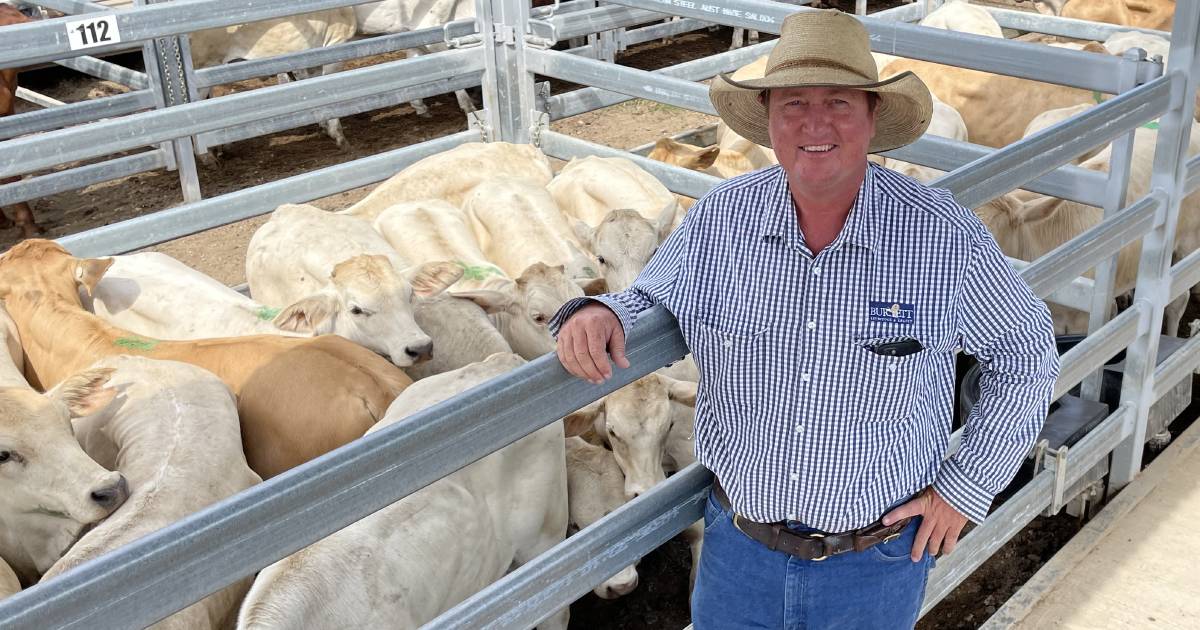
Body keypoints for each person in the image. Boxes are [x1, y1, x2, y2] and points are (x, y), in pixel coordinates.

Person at [550, 9, 1059, 629]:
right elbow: (648, 293)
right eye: (793, 103)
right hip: (739, 551)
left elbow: (1026, 353)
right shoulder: (722, 219)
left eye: (839, 102)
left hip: (875, 560)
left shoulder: (940, 235)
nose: (815, 123)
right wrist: (599, 308)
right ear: (768, 118)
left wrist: (966, 485)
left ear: (873, 118)